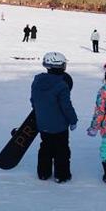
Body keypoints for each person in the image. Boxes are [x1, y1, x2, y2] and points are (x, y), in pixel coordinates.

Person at [31, 52, 78, 183]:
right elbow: (66, 106)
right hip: (59, 126)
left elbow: (33, 100)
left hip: (43, 124)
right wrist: (73, 120)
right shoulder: (62, 85)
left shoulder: (37, 81)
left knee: (45, 147)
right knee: (61, 150)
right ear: (62, 67)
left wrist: (40, 114)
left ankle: (43, 173)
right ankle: (61, 175)